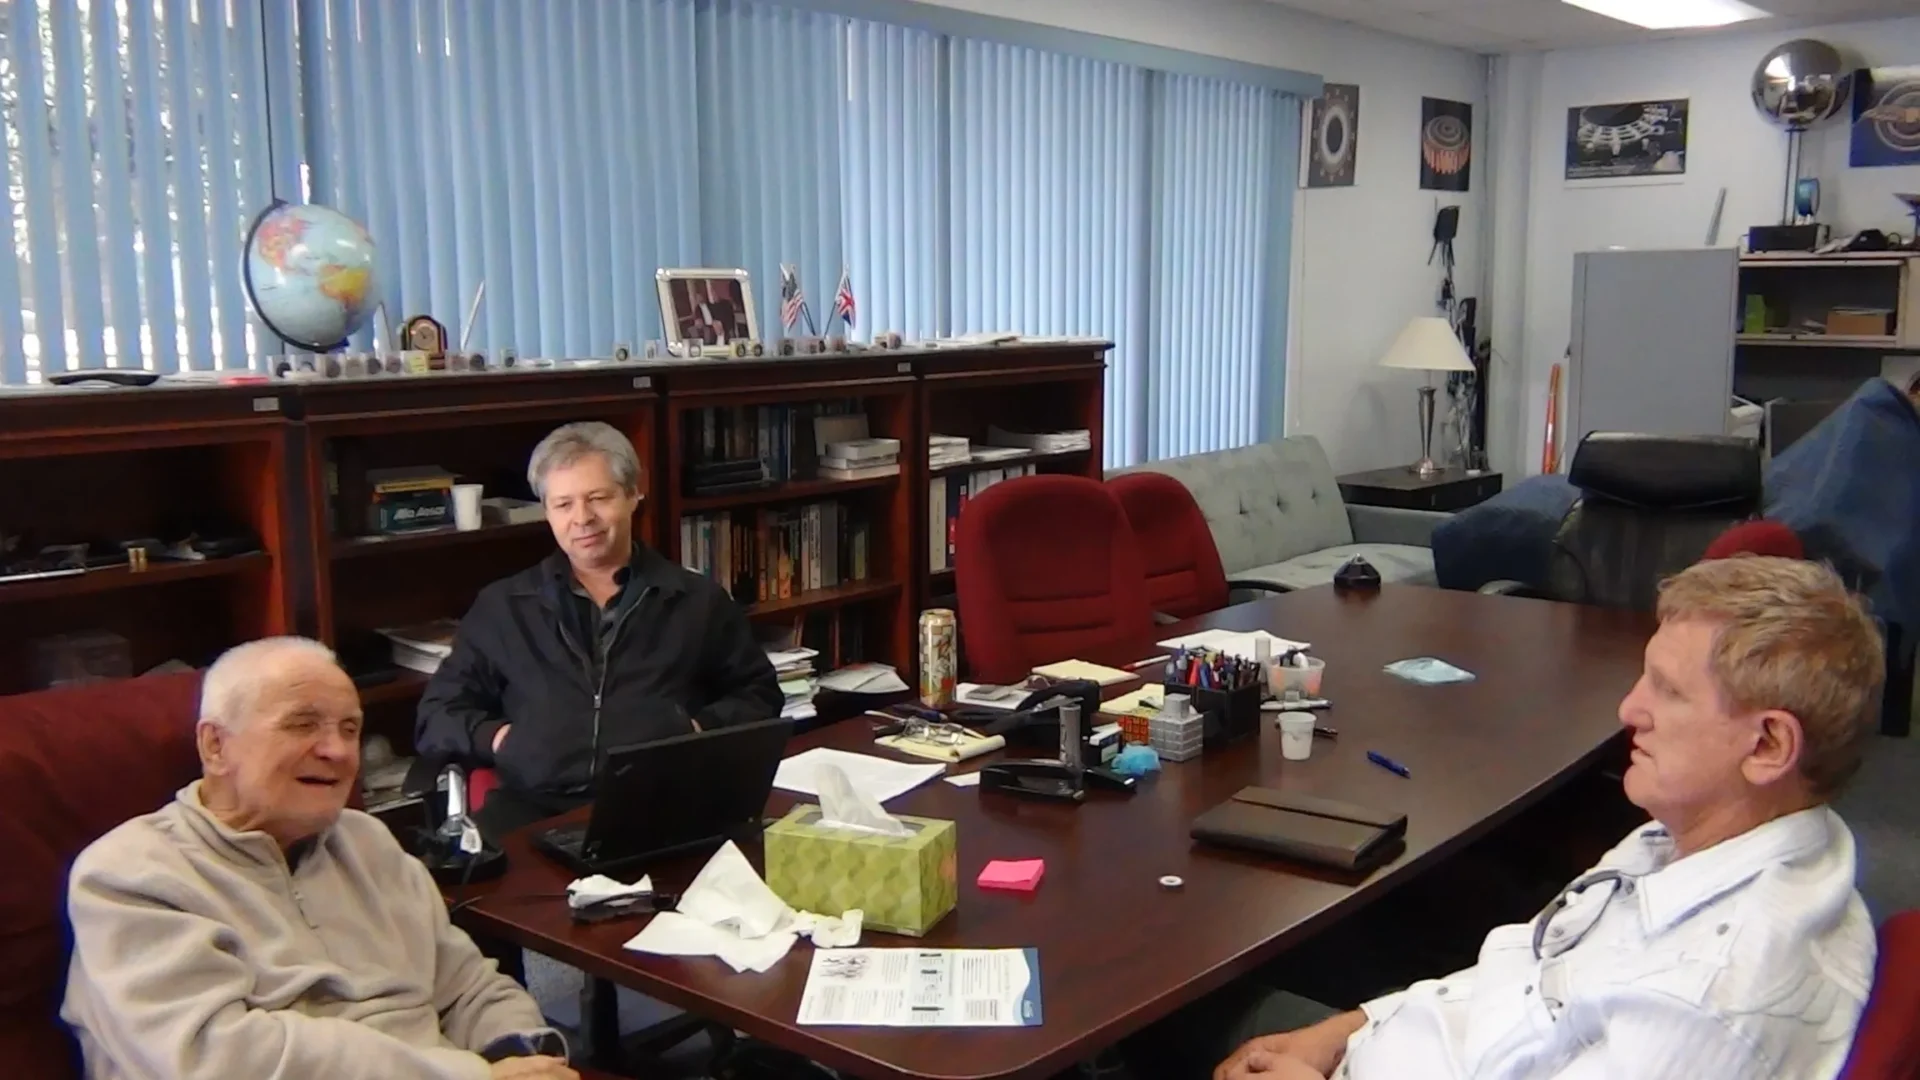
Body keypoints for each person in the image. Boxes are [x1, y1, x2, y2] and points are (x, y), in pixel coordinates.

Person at [1206, 556, 1884, 1080]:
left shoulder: (1703, 1005)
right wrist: (1348, 1029)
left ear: (1767, 746)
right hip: (1408, 1044)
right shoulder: (1702, 835)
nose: (1629, 710)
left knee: (1180, 1013)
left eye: (1668, 692)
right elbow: (1530, 972)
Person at [62, 637, 577, 1080]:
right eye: (302, 724)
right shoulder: (129, 875)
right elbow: (224, 1060)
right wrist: (471, 1076)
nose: (337, 750)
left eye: (350, 729)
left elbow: (469, 985)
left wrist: (520, 1053)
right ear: (215, 745)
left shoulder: (367, 841)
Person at [417, 421, 781, 836]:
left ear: (632, 495)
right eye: (563, 504)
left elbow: (760, 695)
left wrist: (695, 730)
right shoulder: (503, 607)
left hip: (663, 806)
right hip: (534, 809)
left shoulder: (696, 601)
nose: (582, 519)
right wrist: (500, 738)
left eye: (598, 498)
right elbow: (436, 716)